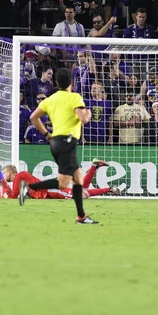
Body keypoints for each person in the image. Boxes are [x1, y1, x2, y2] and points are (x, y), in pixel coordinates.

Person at [25, 67, 97, 224]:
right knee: (63, 183)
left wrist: (46, 134)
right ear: (71, 82)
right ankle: (30, 187)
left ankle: (81, 216)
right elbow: (83, 119)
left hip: (56, 142)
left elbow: (33, 117)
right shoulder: (74, 97)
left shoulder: (50, 100)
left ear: (57, 83)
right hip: (68, 142)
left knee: (78, 179)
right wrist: (88, 113)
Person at [1, 160, 121, 199]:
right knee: (82, 191)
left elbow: (13, 195)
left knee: (80, 195)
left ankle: (107, 186)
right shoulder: (20, 177)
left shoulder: (19, 176)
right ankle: (95, 168)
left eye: (4, 173)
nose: (3, 175)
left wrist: (4, 187)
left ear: (10, 173)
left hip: (49, 191)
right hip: (47, 193)